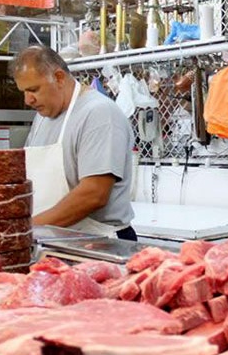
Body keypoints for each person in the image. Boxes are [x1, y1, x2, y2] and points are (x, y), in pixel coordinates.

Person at [9, 46, 137, 239]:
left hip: (98, 245)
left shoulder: (99, 113)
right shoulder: (43, 117)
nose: (28, 100)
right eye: (23, 92)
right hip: (53, 239)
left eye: (33, 89)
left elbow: (94, 194)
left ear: (59, 77)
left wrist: (24, 228)